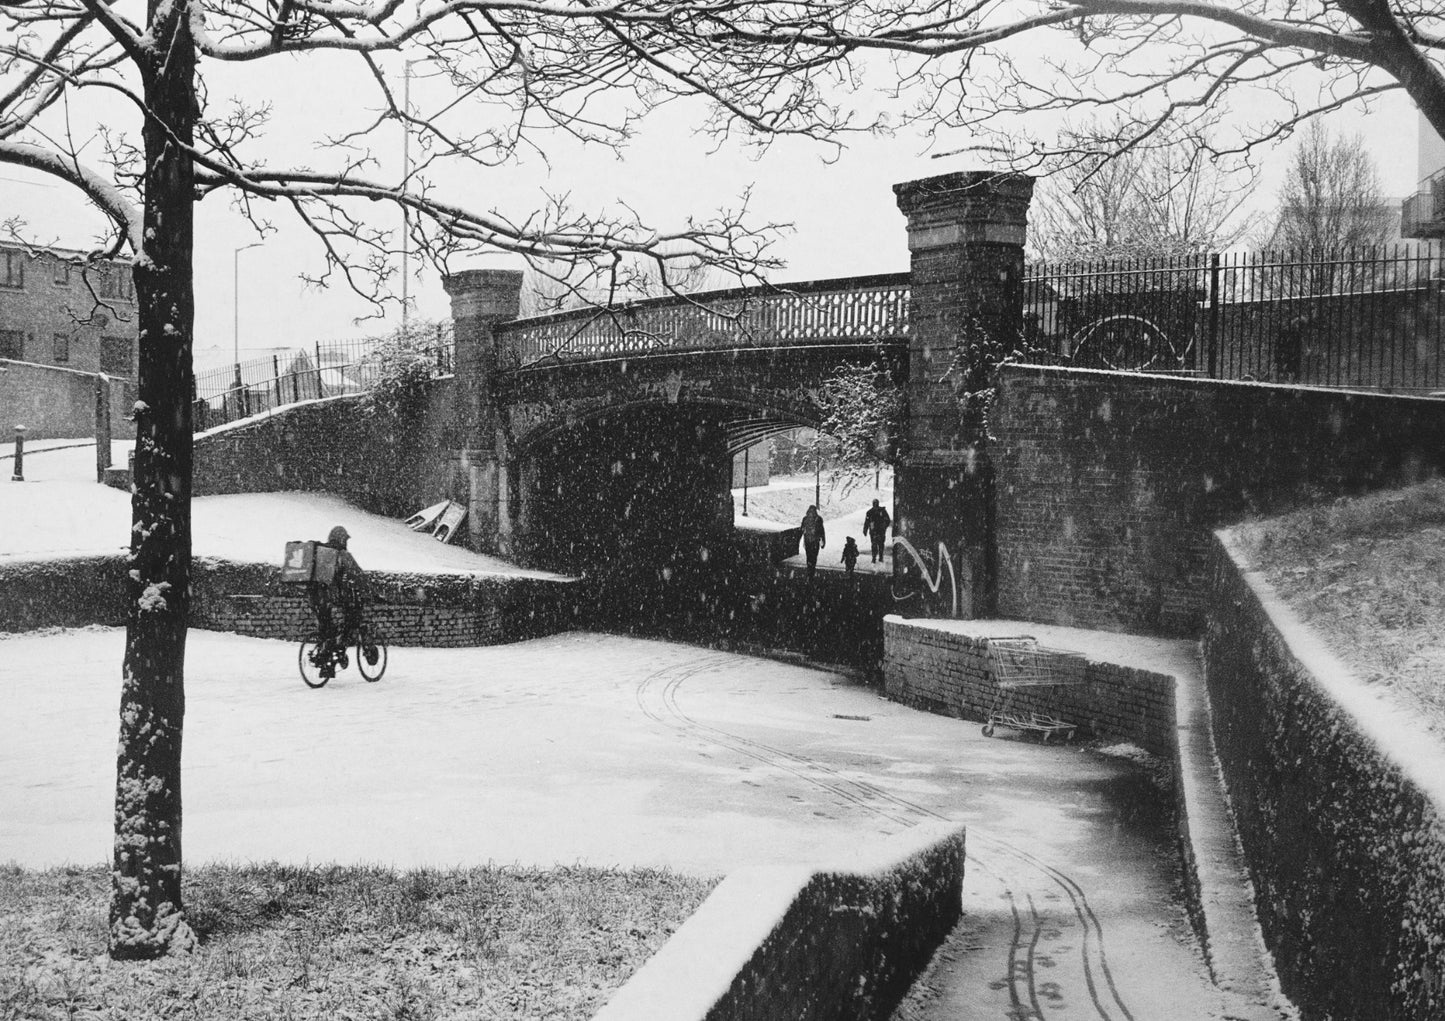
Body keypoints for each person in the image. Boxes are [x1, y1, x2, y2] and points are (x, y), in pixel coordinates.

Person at [309, 525, 369, 677]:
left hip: (315, 596)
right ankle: (332, 658)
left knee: (327, 629)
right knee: (351, 620)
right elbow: (358, 575)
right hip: (329, 597)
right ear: (342, 539)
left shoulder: (320, 553)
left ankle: (327, 661)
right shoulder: (342, 554)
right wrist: (371, 591)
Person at [800, 505, 826, 578]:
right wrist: (823, 541)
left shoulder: (805, 519)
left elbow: (802, 529)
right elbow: (822, 531)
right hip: (815, 541)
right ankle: (812, 570)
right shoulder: (819, 519)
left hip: (807, 540)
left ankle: (809, 569)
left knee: (808, 556)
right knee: (814, 556)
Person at [863, 499, 892, 563]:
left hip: (879, 531)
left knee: (878, 544)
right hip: (875, 531)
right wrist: (865, 530)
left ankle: (878, 557)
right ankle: (876, 557)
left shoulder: (881, 511)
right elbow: (867, 522)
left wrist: (884, 527)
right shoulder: (870, 512)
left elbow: (888, 520)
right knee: (876, 544)